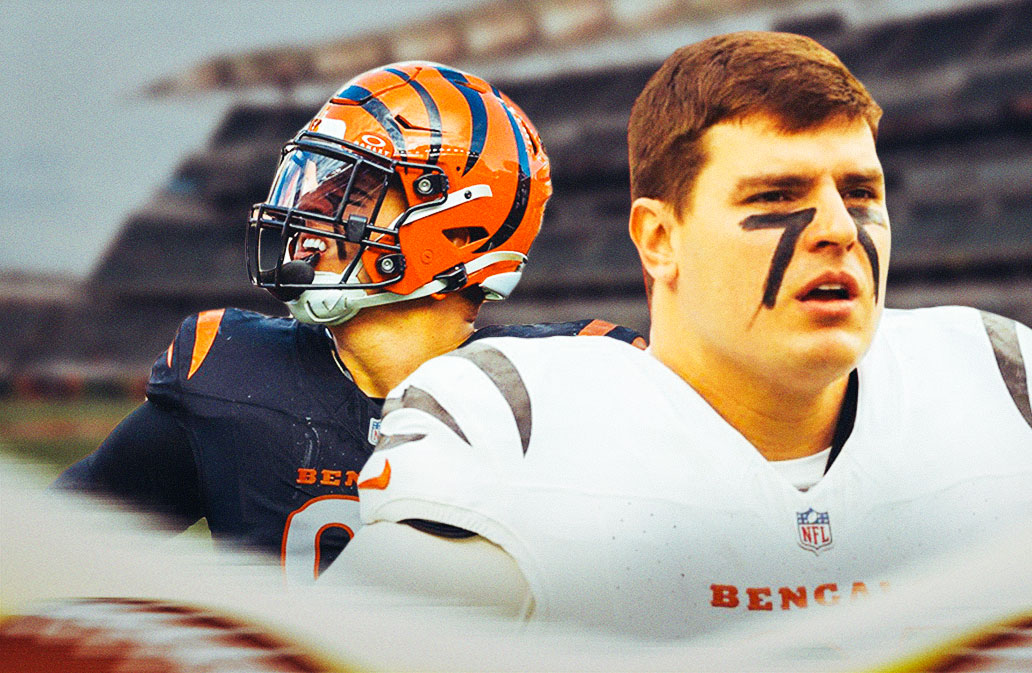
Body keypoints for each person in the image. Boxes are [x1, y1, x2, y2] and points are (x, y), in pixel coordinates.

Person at [326, 33, 1032, 635]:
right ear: (659, 238)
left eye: (861, 191)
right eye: (777, 194)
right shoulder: (520, 431)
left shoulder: (1001, 389)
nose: (838, 228)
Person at [54, 62, 644, 584]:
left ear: (461, 231)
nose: (310, 211)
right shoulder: (231, 377)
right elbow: (57, 550)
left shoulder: (574, 384)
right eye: (318, 182)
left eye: (356, 192)